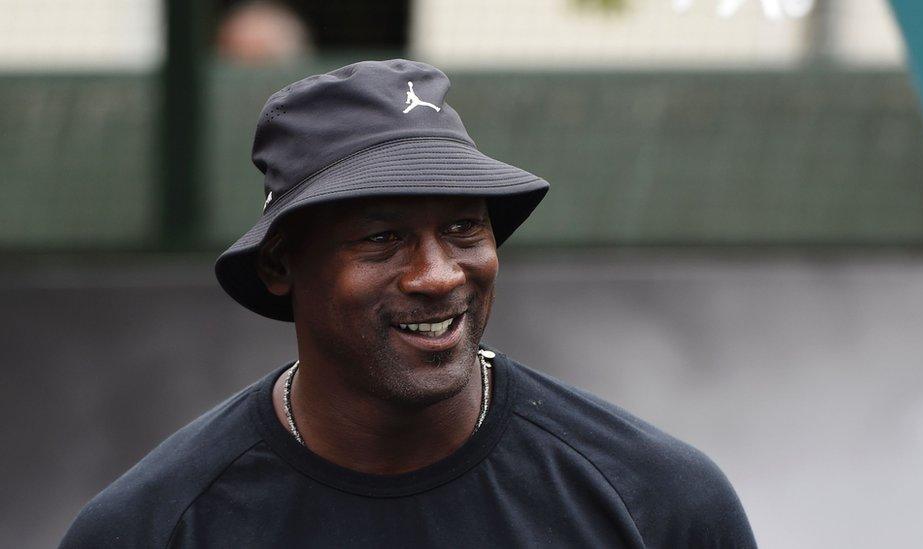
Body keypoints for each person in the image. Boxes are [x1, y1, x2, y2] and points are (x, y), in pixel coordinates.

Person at [60, 59, 756, 548]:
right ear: (280, 263)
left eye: (462, 227)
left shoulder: (658, 501)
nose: (438, 274)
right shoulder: (155, 527)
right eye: (383, 236)